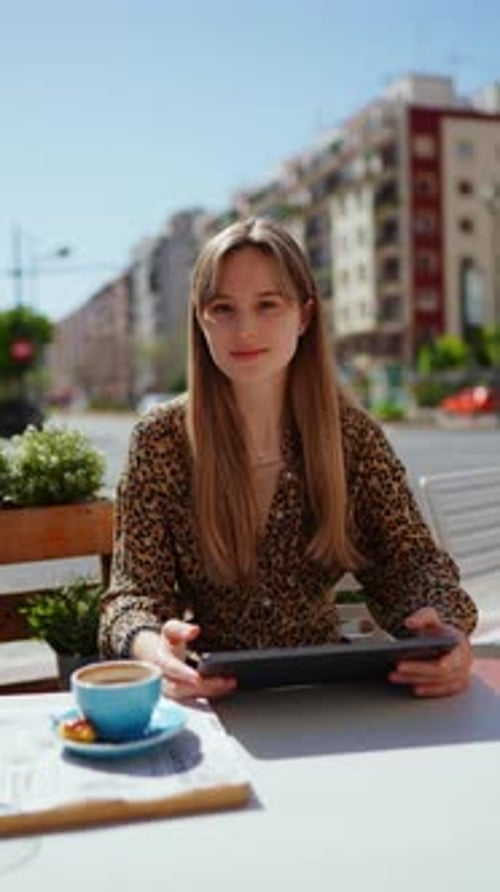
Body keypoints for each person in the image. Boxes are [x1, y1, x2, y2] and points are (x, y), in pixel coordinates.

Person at [99, 217, 477, 700]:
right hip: (213, 698)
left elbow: (412, 565)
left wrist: (445, 633)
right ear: (200, 318)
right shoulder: (160, 440)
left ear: (304, 315)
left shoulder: (352, 436)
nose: (246, 328)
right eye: (223, 308)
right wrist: (153, 650)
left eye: (268, 305)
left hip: (333, 693)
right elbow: (131, 597)